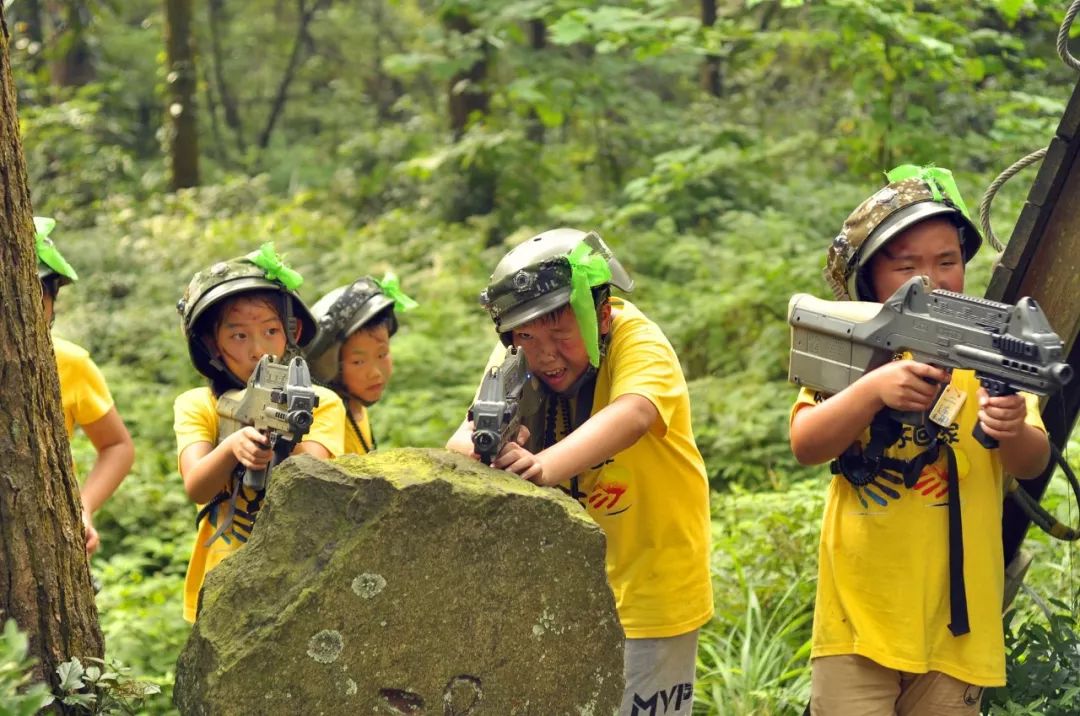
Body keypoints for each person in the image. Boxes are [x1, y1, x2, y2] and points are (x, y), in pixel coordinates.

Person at [789, 165, 1051, 715]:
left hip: (957, 632)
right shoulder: (855, 351)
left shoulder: (990, 350)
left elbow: (1032, 462)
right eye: (907, 266)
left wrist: (1010, 429)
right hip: (858, 623)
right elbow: (807, 443)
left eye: (947, 261)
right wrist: (874, 390)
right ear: (870, 280)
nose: (931, 278)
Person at [446, 228, 713, 715]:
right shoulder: (517, 357)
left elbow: (634, 413)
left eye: (561, 335)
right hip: (559, 594)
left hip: (652, 594)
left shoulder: (639, 341)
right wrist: (492, 449)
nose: (545, 354)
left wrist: (542, 464)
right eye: (526, 336)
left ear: (602, 317)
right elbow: (466, 436)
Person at [173, 243, 346, 623]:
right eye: (238, 336)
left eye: (271, 331)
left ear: (292, 331)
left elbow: (315, 474)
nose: (258, 350)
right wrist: (233, 446)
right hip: (221, 580)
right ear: (209, 343)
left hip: (302, 574)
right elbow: (197, 487)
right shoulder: (198, 405)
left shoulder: (323, 402)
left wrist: (280, 446)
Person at [36, 216, 135, 556]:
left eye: (37, 297)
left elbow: (117, 445)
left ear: (52, 301)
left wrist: (83, 507)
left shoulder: (70, 364)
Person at [306, 274, 416, 454]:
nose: (375, 373)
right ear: (328, 364)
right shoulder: (324, 415)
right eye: (358, 361)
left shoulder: (356, 406)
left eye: (382, 354)